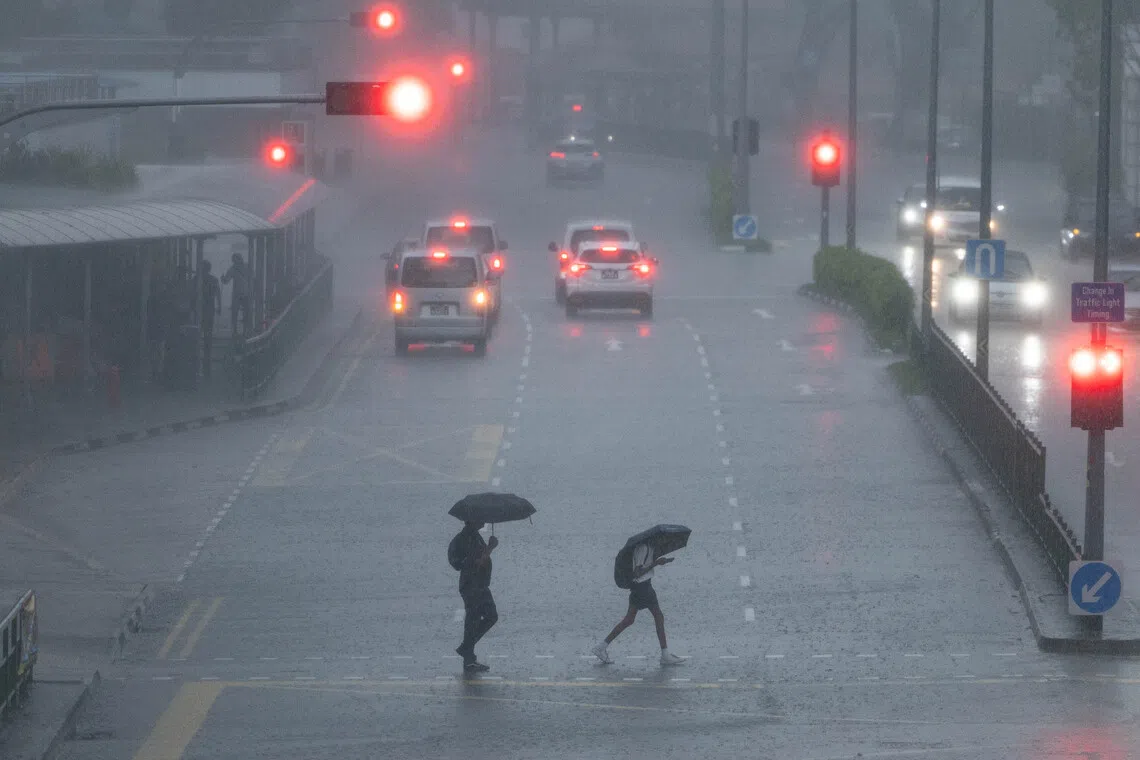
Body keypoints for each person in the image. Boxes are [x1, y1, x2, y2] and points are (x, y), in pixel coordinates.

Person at [592, 543, 683, 666]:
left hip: (640, 587)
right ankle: (665, 655)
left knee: (629, 620)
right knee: (658, 616)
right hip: (643, 587)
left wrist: (659, 561)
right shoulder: (644, 548)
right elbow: (638, 572)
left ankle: (601, 647)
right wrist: (656, 563)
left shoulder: (648, 547)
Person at [451, 520, 499, 672]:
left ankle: (468, 652)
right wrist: (490, 548)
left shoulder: (474, 536)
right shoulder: (465, 538)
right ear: (472, 520)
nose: (483, 520)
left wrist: (488, 548)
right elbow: (475, 561)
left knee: (483, 618)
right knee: (478, 618)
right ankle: (467, 650)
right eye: (480, 517)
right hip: (473, 585)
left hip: (479, 584)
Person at [196, 261, 222, 378]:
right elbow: (218, 294)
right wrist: (219, 306)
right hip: (209, 309)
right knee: (208, 333)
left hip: (199, 309)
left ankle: (198, 352)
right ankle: (207, 352)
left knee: (198, 331)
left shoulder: (196, 279)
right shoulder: (214, 280)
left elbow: (192, 293)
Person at [221, 253, 250, 337]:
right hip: (245, 293)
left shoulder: (232, 269)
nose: (233, 261)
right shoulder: (247, 266)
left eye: (234, 259)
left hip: (237, 294)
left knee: (235, 313)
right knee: (245, 312)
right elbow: (253, 277)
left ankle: (236, 331)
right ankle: (243, 331)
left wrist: (222, 278)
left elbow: (225, 281)